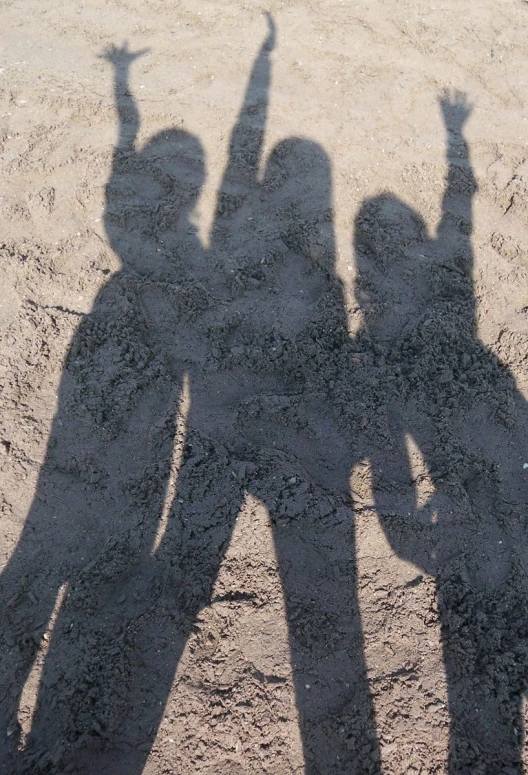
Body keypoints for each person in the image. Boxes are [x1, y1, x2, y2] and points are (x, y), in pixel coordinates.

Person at [353, 92, 528, 772]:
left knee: (482, 734)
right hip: (486, 539)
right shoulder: (447, 327)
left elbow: (399, 527)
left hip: (476, 566)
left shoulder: (391, 364)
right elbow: (455, 230)